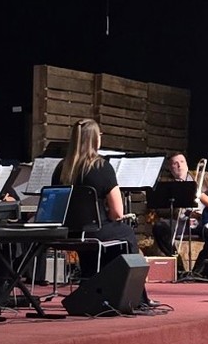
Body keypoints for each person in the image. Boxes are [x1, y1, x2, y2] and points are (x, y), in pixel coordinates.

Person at [51, 119, 153, 300]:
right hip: (94, 231)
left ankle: (90, 281)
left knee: (104, 233)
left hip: (67, 232)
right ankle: (135, 296)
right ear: (94, 139)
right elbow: (117, 213)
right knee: (126, 232)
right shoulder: (101, 166)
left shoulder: (61, 168)